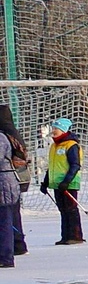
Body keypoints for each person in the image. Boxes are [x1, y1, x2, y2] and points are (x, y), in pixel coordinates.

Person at [43, 117, 83, 244]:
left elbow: (75, 165)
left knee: (71, 209)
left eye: (56, 129)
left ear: (63, 130)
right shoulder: (54, 146)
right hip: (57, 184)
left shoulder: (71, 145)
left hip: (68, 184)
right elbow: (52, 166)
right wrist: (46, 182)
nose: (53, 131)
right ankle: (65, 236)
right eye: (53, 128)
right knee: (62, 209)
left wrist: (67, 181)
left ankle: (75, 236)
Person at [0, 107, 24, 268]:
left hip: (4, 184)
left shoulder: (1, 137)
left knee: (4, 221)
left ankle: (6, 256)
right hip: (6, 182)